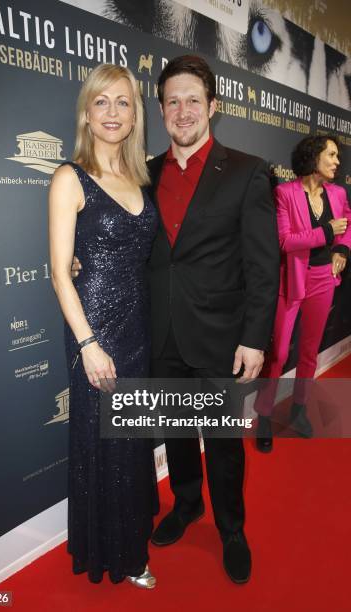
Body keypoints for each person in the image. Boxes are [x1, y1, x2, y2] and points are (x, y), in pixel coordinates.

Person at [146, 55, 280, 584]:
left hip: (223, 338)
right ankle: (185, 505)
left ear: (213, 108)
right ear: (161, 110)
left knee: (222, 445)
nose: (183, 111)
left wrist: (254, 339)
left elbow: (263, 267)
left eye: (193, 101)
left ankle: (230, 528)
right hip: (163, 335)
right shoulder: (146, 173)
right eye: (173, 101)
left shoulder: (248, 172)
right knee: (177, 434)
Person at [49, 63, 159, 587]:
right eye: (102, 102)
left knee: (132, 443)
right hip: (96, 332)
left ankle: (132, 542)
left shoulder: (142, 177)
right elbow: (58, 271)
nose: (113, 112)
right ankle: (114, 555)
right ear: (87, 114)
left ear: (136, 115)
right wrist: (88, 344)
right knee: (105, 447)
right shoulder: (70, 178)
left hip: (138, 330)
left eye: (123, 102)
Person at [255, 135, 351, 452]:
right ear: (314, 157)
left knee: (309, 351)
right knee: (279, 353)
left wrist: (342, 251)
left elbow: (347, 225)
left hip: (324, 279)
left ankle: (299, 409)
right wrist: (326, 232)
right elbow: (285, 241)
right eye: (332, 155)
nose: (338, 161)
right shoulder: (285, 193)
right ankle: (264, 414)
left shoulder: (337, 193)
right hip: (292, 281)